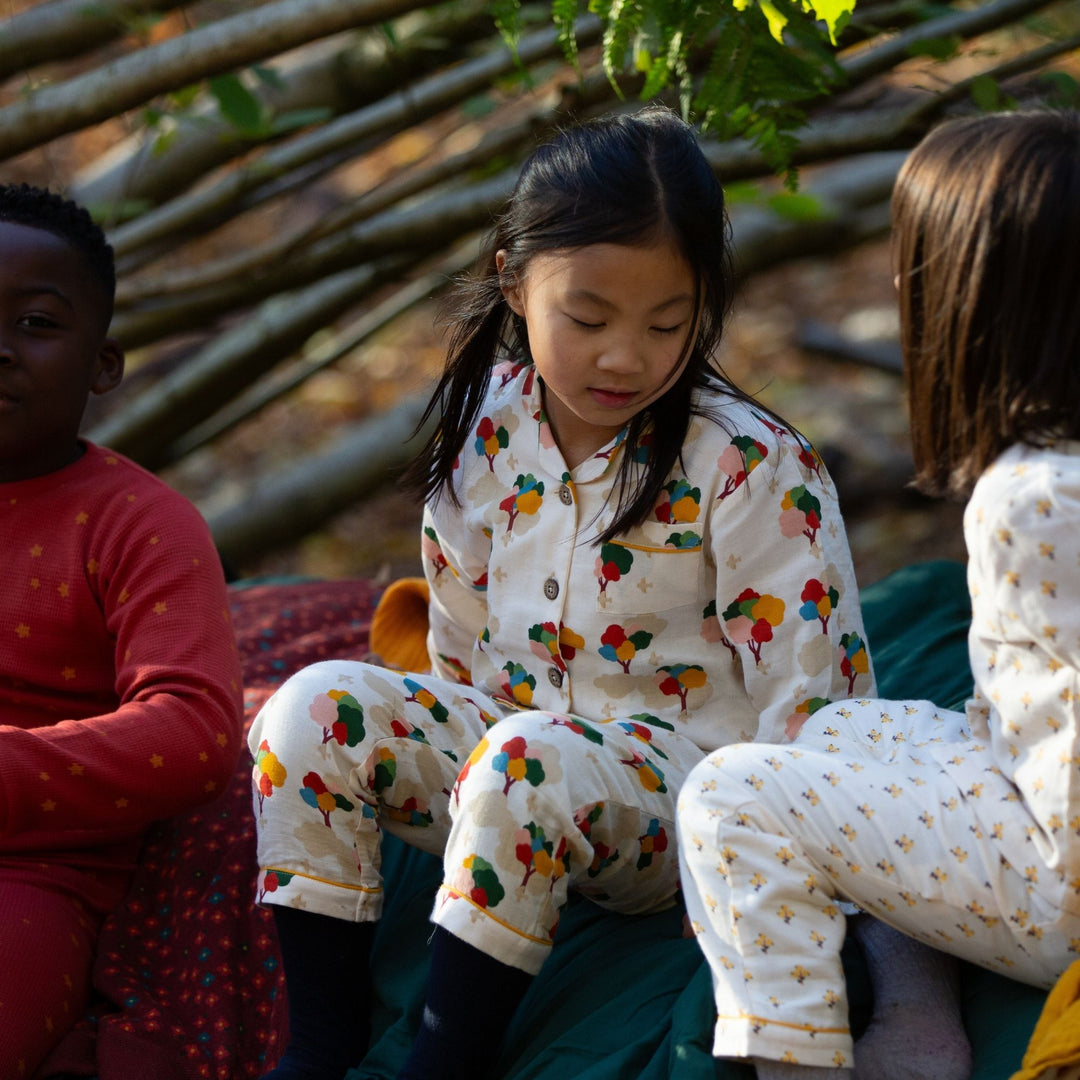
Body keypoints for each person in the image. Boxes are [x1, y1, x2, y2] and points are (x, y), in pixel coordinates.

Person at [248, 105, 876, 1080]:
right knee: (309, 711)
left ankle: (442, 1062)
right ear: (513, 279)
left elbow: (818, 707)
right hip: (513, 770)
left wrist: (811, 900)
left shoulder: (751, 465)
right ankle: (317, 1043)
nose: (625, 355)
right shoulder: (487, 429)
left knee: (522, 759)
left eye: (667, 322)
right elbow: (457, 638)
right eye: (587, 318)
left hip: (687, 809)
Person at [676, 108, 1080, 1080]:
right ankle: (918, 1012)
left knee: (730, 793)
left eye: (916, 268)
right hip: (1029, 783)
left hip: (1063, 880)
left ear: (979, 305)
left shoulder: (1036, 498)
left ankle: (797, 1063)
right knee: (836, 732)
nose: (899, 290)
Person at [0, 183, 245, 1076]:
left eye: (33, 323)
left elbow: (193, 729)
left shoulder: (140, 522)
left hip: (32, 876)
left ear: (104, 365)